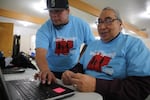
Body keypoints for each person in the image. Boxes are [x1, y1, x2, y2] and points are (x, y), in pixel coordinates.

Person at [62, 7, 150, 100]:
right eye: (100, 21)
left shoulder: (134, 45)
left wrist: (96, 85)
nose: (102, 26)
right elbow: (80, 67)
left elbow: (140, 88)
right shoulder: (92, 45)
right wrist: (71, 73)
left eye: (108, 20)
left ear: (120, 24)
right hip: (82, 94)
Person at [35, 0, 95, 84]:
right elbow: (40, 53)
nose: (54, 16)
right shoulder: (44, 29)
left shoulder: (82, 25)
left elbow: (91, 45)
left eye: (58, 11)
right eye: (51, 11)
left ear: (68, 11)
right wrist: (45, 70)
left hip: (73, 70)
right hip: (51, 71)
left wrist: (80, 60)